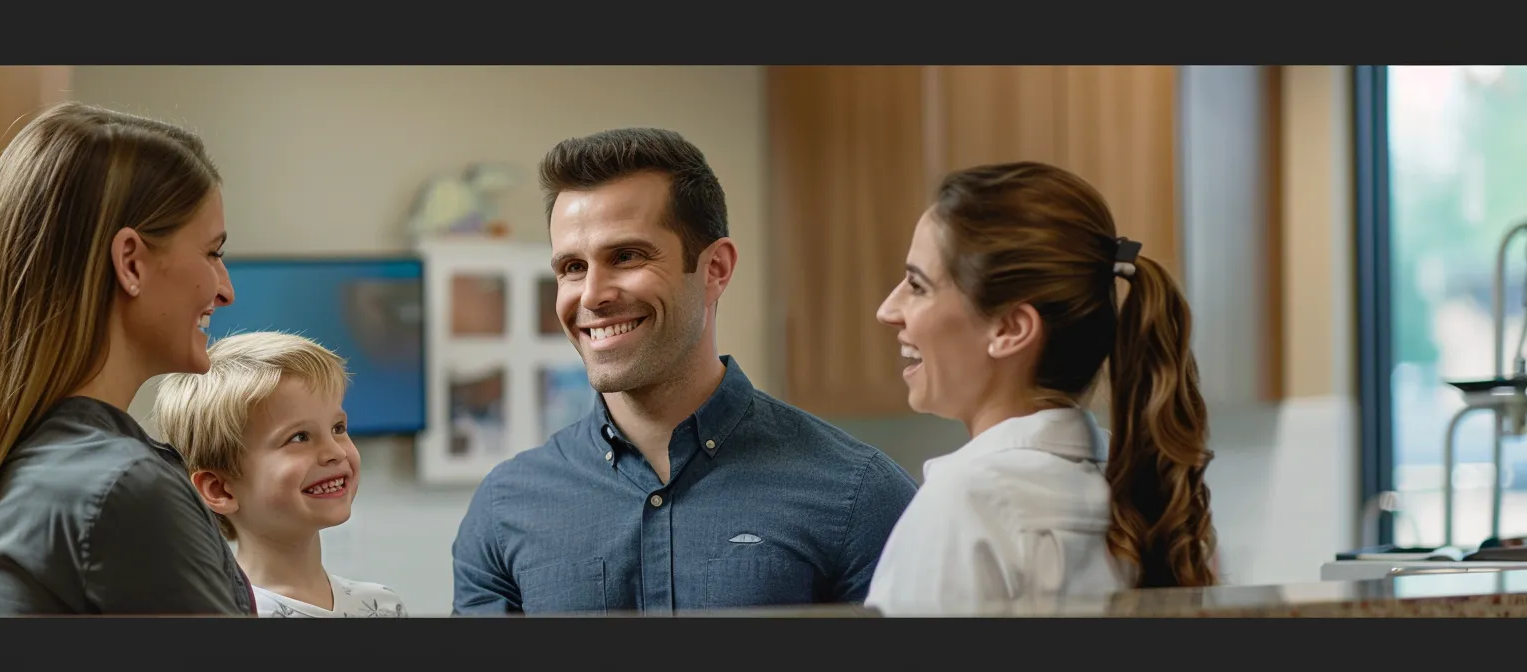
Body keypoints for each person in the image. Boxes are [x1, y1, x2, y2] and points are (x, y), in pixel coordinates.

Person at [450, 127, 919, 615]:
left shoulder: (859, 495)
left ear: (715, 268)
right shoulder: (505, 508)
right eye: (572, 267)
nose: (591, 294)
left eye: (626, 256)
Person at [0, 102, 251, 615]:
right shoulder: (126, 492)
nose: (224, 290)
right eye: (212, 252)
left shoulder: (25, 468)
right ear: (131, 262)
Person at [864, 161, 1218, 615]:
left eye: (917, 285)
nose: (888, 309)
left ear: (1010, 328)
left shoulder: (966, 504)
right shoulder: (1138, 492)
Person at [150, 331, 408, 618]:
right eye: (299, 437)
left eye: (338, 428)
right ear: (219, 489)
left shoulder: (382, 606)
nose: (334, 452)